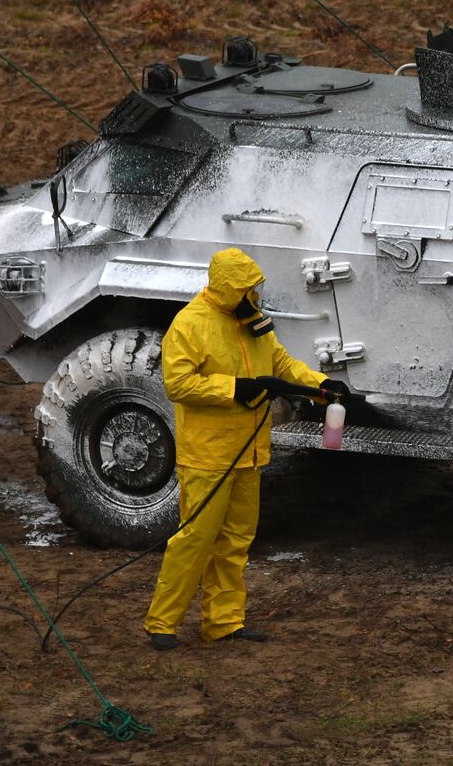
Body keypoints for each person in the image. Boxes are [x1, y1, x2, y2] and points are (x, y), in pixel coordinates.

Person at [144, 247, 349, 650]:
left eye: (254, 289)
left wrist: (321, 386)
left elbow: (280, 363)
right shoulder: (189, 325)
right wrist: (235, 389)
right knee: (196, 539)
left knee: (236, 540)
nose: (252, 296)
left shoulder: (251, 321)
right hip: (207, 456)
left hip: (249, 452)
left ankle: (223, 622)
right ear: (225, 289)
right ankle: (162, 622)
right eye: (245, 290)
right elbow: (178, 385)